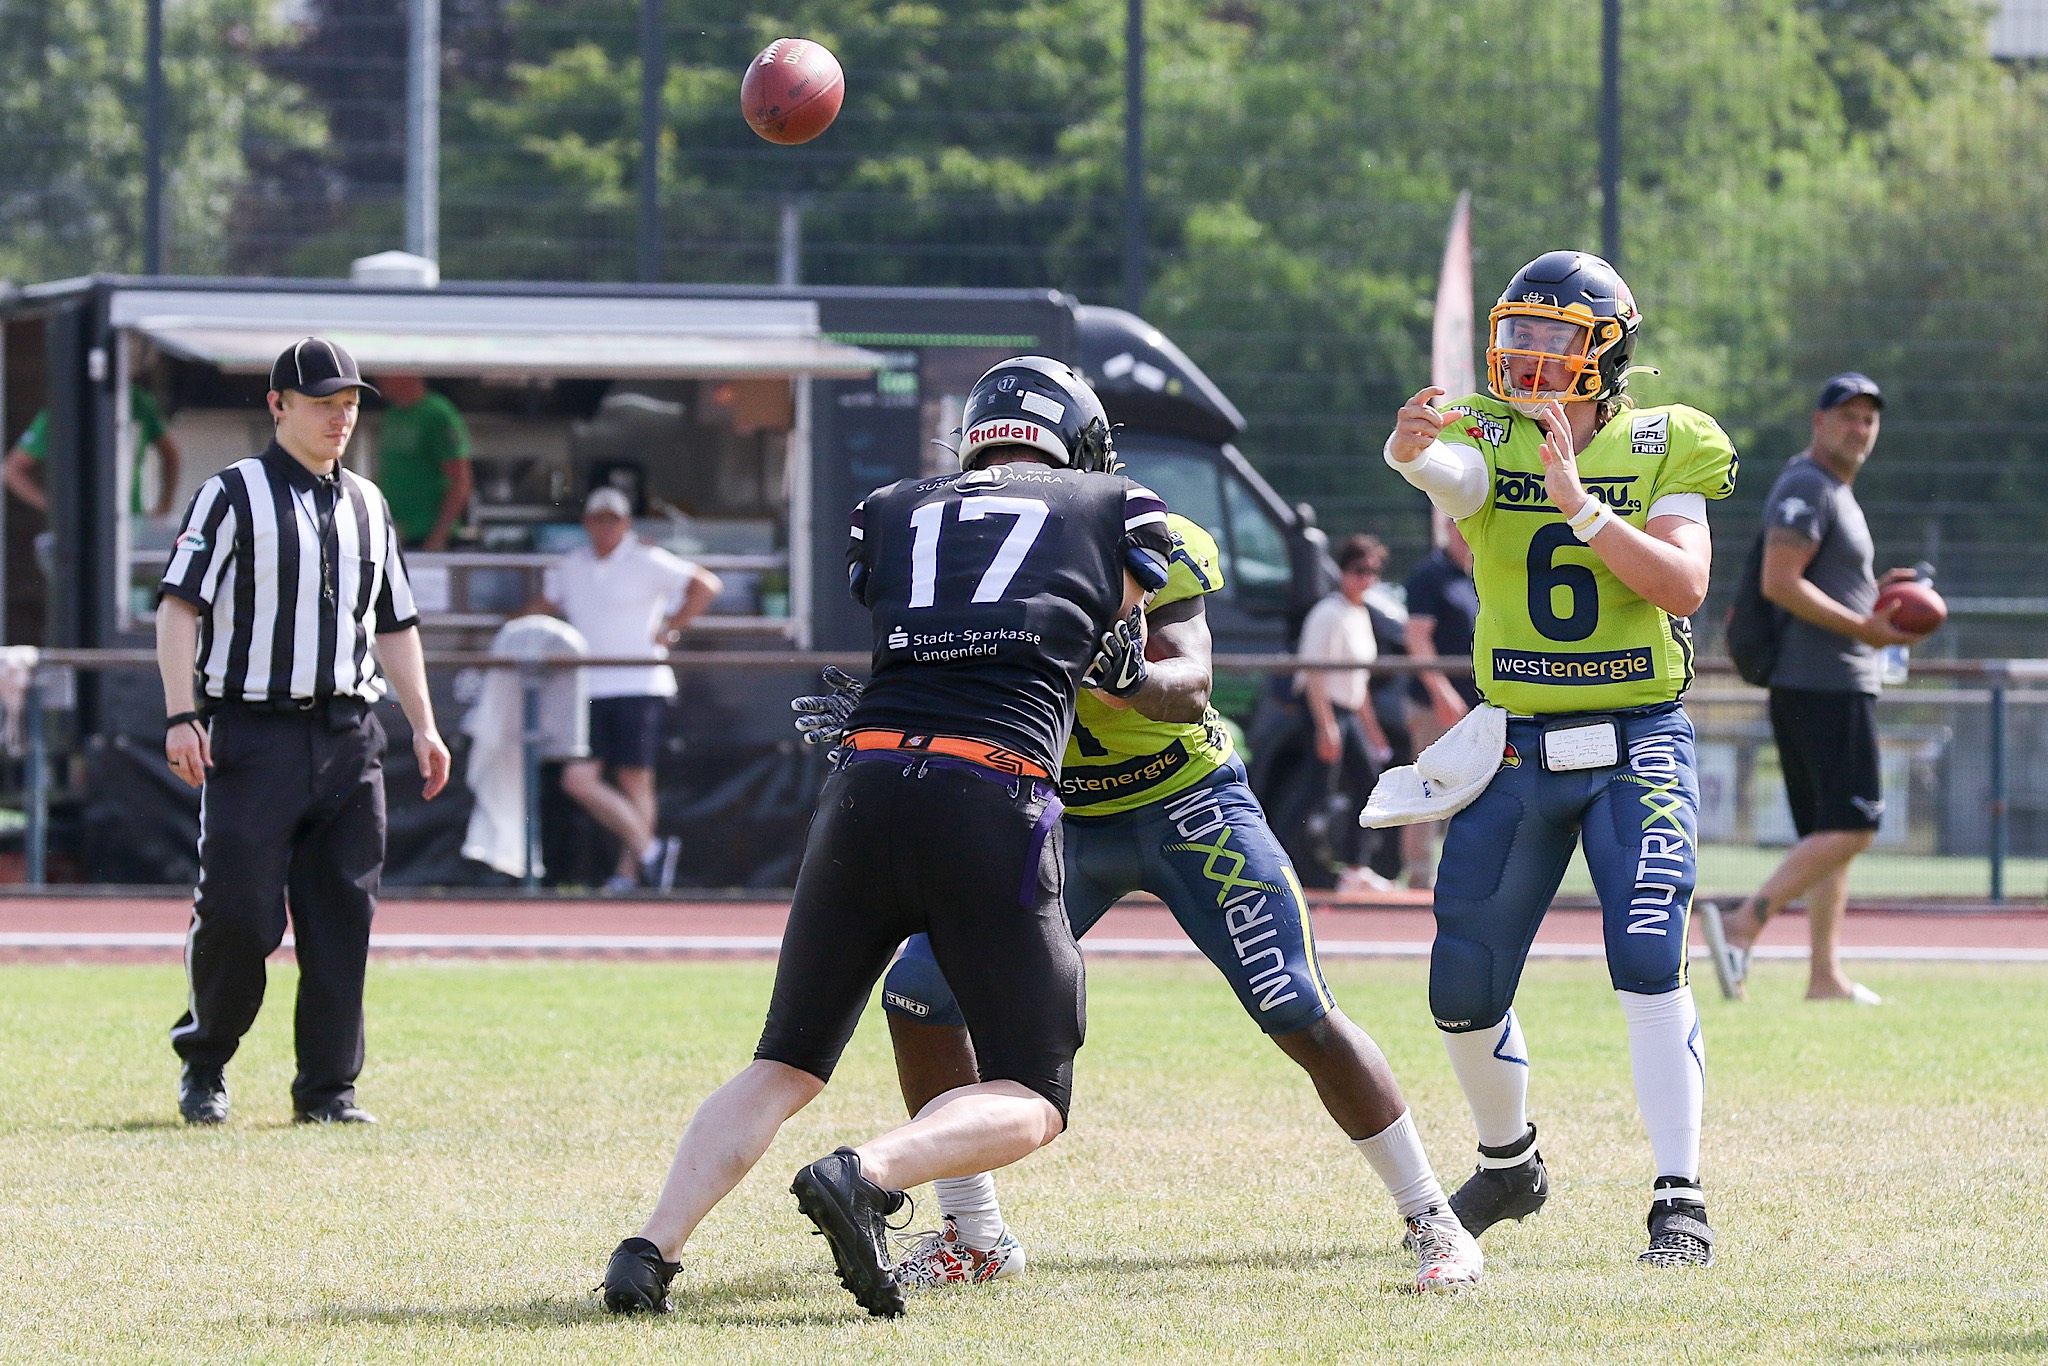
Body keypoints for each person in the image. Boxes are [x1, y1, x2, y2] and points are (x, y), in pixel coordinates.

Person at [597, 357, 1176, 1318]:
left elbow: (914, 608)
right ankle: (866, 1175)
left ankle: (647, 1251)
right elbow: (1118, 643)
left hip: (864, 783)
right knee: (1034, 1091)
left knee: (783, 1062)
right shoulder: (1119, 502)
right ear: (1071, 439)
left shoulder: (892, 504)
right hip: (993, 794)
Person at [828, 515, 1480, 1296]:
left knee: (1294, 1002)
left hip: (1188, 803)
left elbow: (1190, 688)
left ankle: (1433, 1216)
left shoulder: (1146, 537)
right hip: (1060, 819)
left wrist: (1128, 677)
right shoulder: (961, 556)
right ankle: (975, 1235)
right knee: (920, 993)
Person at [1383, 250, 1737, 1267]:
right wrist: (1411, 452)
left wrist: (1579, 501)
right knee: (1458, 983)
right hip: (1518, 743)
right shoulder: (1485, 436)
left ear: (1606, 346)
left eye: (1554, 334)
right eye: (1519, 331)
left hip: (1634, 740)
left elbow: (1679, 586)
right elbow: (1452, 477)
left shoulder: (1668, 440)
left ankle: (1678, 1195)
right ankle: (1508, 1163)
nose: (1530, 353)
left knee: (1642, 951)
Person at [155, 337, 452, 1126]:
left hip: (352, 735)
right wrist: (182, 713)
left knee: (342, 917)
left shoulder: (370, 503)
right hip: (255, 734)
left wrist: (424, 723)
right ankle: (206, 1062)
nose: (340, 417)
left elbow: (396, 622)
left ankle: (327, 1090)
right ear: (278, 405)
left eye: (349, 403)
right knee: (239, 913)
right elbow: (178, 604)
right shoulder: (231, 495)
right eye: (324, 402)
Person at [1700, 375, 1926, 1005]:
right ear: (1819, 421)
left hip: (1827, 679)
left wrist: (1878, 594)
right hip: (1823, 682)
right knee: (1854, 825)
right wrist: (1865, 628)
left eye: (1869, 420)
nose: (1860, 429)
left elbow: (1817, 579)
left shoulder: (1834, 491)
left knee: (1828, 836)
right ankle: (1745, 922)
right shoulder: (1807, 484)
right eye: (1848, 416)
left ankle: (1824, 975)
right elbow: (1781, 581)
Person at [524, 487, 721, 891]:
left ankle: (630, 874)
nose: (605, 527)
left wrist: (673, 626)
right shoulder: (572, 565)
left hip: (639, 682)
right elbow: (544, 604)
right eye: (598, 518)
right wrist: (510, 629)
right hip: (588, 685)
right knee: (578, 779)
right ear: (587, 523)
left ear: (626, 523)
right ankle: (651, 852)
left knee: (635, 781)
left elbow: (706, 584)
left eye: (613, 519)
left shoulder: (646, 559)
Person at [1265, 533, 1397, 891]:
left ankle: (1357, 867)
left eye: (1372, 571)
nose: (1365, 578)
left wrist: (1372, 730)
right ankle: (1271, 861)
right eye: (1358, 570)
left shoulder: (1360, 613)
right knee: (1316, 789)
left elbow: (1360, 681)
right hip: (1325, 711)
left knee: (1367, 783)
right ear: (1342, 571)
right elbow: (1313, 673)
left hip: (1349, 713)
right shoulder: (1327, 612)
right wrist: (1326, 726)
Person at [1400, 519, 1480, 889]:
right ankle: (1418, 877)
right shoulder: (1429, 576)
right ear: (1448, 528)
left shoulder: (1479, 570)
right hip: (1435, 706)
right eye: (1457, 524)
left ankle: (1465, 875)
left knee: (1473, 791)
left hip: (1477, 708)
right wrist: (1441, 691)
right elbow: (1417, 639)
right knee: (1427, 788)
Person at [5, 382, 183, 518]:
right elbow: (12, 470)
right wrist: (56, 509)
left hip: (131, 521)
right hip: (82, 522)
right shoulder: (65, 408)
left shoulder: (137, 401)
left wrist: (164, 507)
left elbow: (170, 455)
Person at [371, 373, 473, 550]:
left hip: (429, 537)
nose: (379, 378)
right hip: (395, 535)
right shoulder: (392, 415)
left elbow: (460, 479)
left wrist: (439, 536)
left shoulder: (437, 413)